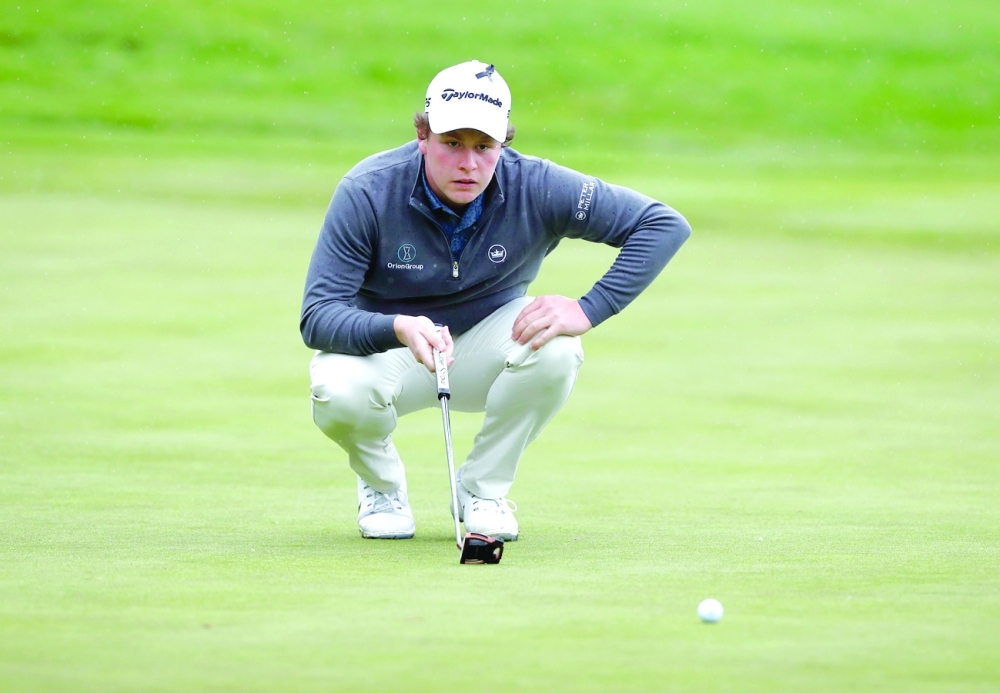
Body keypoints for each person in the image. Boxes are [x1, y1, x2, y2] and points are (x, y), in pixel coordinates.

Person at [301, 60, 690, 541]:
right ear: (423, 135)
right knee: (338, 391)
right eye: (452, 144)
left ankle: (481, 490)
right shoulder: (369, 190)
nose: (468, 163)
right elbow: (317, 316)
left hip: (486, 346)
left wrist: (589, 308)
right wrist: (396, 326)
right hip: (395, 351)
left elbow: (662, 224)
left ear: (503, 142)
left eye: (484, 147)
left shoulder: (537, 185)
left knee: (558, 347)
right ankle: (382, 489)